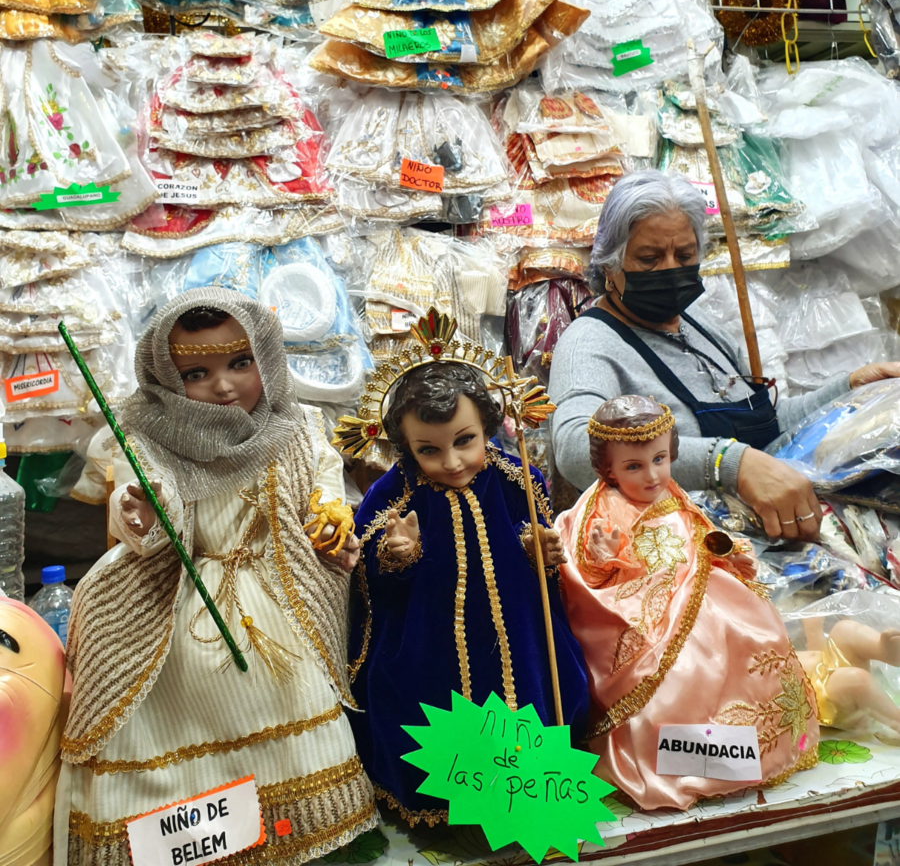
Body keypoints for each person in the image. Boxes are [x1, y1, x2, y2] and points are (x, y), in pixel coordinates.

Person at [55, 288, 376, 866]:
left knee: (296, 699)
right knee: (188, 707)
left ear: (267, 359)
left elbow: (324, 484)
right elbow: (140, 519)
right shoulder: (149, 437)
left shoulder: (298, 424)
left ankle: (292, 829)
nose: (225, 386)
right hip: (184, 604)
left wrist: (330, 515)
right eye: (197, 372)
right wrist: (142, 510)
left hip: (280, 600)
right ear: (166, 378)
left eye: (240, 363)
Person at [549, 170, 900, 540]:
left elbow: (771, 423)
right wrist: (727, 464)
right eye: (650, 258)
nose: (671, 269)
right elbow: (575, 450)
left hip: (769, 539)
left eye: (684, 255)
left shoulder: (699, 327)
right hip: (689, 560)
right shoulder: (590, 344)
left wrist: (847, 390)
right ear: (610, 266)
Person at [346, 357, 589, 828]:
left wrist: (539, 548)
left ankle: (531, 800)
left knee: (533, 704)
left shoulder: (518, 477)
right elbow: (368, 586)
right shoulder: (390, 496)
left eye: (464, 441)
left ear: (487, 426)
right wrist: (395, 554)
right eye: (429, 450)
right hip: (429, 646)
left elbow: (535, 545)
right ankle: (451, 807)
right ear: (405, 445)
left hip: (518, 637)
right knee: (430, 714)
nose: (452, 462)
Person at [555, 395, 819, 811]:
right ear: (607, 469)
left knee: (745, 635)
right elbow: (588, 573)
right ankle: (682, 763)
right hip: (648, 616)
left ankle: (741, 754)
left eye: (660, 459)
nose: (652, 475)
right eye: (634, 467)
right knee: (683, 674)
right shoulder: (603, 507)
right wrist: (607, 554)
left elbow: (698, 531)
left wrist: (725, 552)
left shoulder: (671, 492)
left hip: (699, 590)